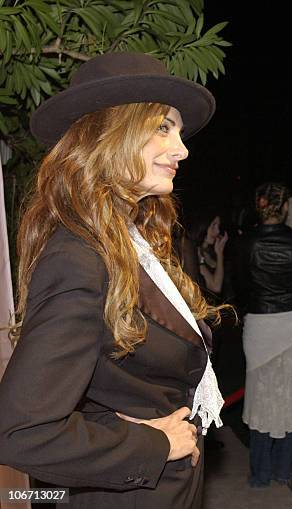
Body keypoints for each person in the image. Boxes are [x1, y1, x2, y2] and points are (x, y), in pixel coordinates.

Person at [0, 52, 225, 508]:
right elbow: (22, 431)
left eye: (178, 131)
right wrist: (155, 445)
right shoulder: (79, 257)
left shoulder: (132, 239)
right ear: (109, 134)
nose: (181, 149)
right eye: (163, 126)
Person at [235, 183, 292, 488]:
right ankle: (282, 470)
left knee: (261, 398)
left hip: (260, 324)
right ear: (285, 206)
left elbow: (240, 289)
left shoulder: (245, 243)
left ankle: (260, 475)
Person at [190, 211, 228, 296]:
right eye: (213, 225)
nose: (217, 231)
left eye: (218, 226)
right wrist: (220, 254)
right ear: (203, 226)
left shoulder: (209, 251)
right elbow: (216, 287)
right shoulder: (195, 252)